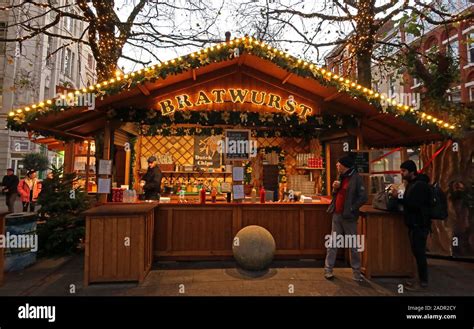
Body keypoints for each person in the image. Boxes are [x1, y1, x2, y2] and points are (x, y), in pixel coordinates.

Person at [325, 155, 368, 281]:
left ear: (344, 165)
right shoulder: (340, 177)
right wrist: (334, 189)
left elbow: (363, 197)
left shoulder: (356, 178)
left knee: (353, 245)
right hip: (337, 215)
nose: (337, 166)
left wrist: (352, 208)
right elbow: (336, 195)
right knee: (333, 243)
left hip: (349, 216)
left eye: (338, 164)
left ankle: (356, 272)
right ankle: (328, 270)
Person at [392, 160, 431, 290]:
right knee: (416, 253)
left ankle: (422, 282)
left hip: (419, 224)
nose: (401, 173)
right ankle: (417, 279)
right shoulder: (412, 184)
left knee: (419, 254)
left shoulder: (419, 185)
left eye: (404, 171)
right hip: (414, 224)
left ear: (412, 172)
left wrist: (398, 197)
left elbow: (413, 204)